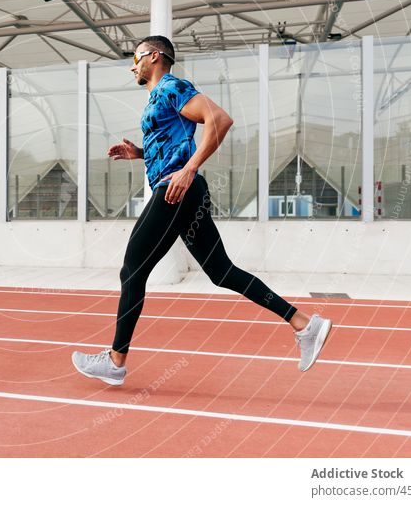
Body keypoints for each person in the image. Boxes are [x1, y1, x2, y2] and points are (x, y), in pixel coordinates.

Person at [72, 35, 332, 386]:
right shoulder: (159, 97)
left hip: (175, 191)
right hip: (184, 190)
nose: (133, 66)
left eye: (136, 58)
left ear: (153, 56)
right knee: (221, 271)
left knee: (132, 270)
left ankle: (116, 361)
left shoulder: (171, 87)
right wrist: (141, 154)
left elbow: (220, 120)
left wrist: (189, 168)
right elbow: (174, 145)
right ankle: (304, 323)